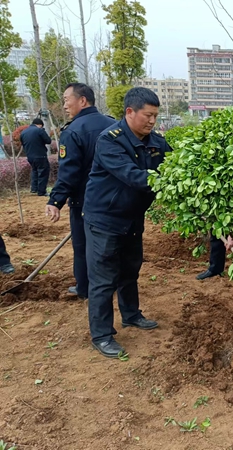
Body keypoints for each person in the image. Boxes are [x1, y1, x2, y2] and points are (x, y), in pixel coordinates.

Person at [83, 87, 170, 358]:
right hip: (105, 220)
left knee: (130, 270)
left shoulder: (155, 142)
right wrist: (172, 182)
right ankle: (102, 335)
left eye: (155, 116)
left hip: (132, 218)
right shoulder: (110, 141)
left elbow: (178, 163)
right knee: (103, 278)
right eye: (148, 115)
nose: (152, 121)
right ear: (130, 112)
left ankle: (131, 314)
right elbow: (133, 176)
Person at [45, 83, 116, 300]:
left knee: (83, 246)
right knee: (111, 245)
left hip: (84, 201)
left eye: (67, 99)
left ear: (82, 100)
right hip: (113, 199)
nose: (65, 105)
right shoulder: (114, 125)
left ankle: (84, 288)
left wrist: (56, 200)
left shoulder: (73, 131)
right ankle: (112, 285)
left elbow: (70, 173)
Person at [19, 118, 51, 196]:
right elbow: (48, 141)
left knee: (35, 170)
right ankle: (41, 191)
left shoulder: (23, 132)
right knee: (43, 172)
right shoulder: (39, 130)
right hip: (40, 155)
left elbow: (22, 143)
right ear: (40, 125)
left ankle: (34, 189)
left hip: (30, 156)